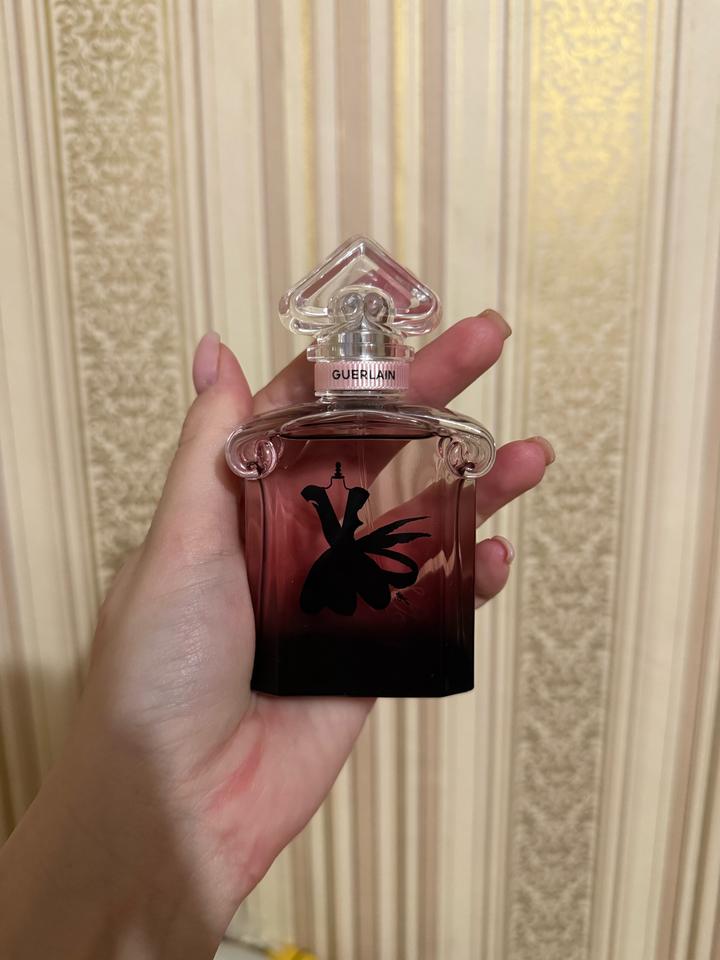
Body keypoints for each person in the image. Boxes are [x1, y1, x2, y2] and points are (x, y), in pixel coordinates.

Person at [0, 311, 553, 958]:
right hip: (332, 598)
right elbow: (337, 532)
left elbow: (344, 535)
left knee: (370, 562)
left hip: (345, 584)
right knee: (365, 563)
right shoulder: (277, 445)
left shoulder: (385, 445)